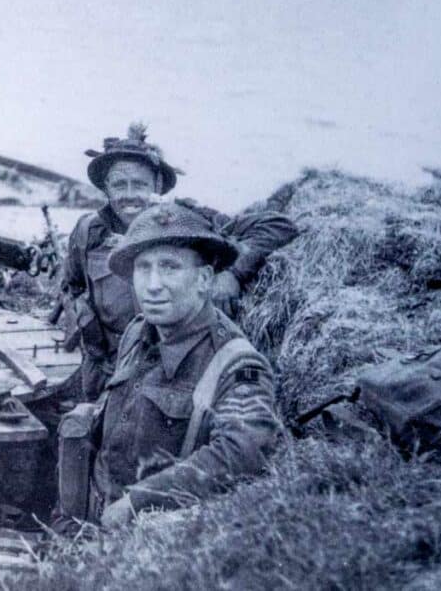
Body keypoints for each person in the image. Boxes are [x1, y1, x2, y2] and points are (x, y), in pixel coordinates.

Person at [61, 202, 281, 528]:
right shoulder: (137, 332)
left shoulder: (235, 365)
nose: (152, 285)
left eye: (170, 268)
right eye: (143, 268)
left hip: (145, 535)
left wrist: (138, 501)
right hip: (92, 519)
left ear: (204, 279)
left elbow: (244, 452)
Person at [61, 123, 298, 402]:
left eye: (139, 184)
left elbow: (276, 225)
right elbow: (73, 286)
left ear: (157, 187)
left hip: (170, 380)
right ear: (106, 189)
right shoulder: (89, 231)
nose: (128, 195)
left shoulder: (184, 222)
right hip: (105, 375)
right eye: (119, 185)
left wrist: (232, 274)